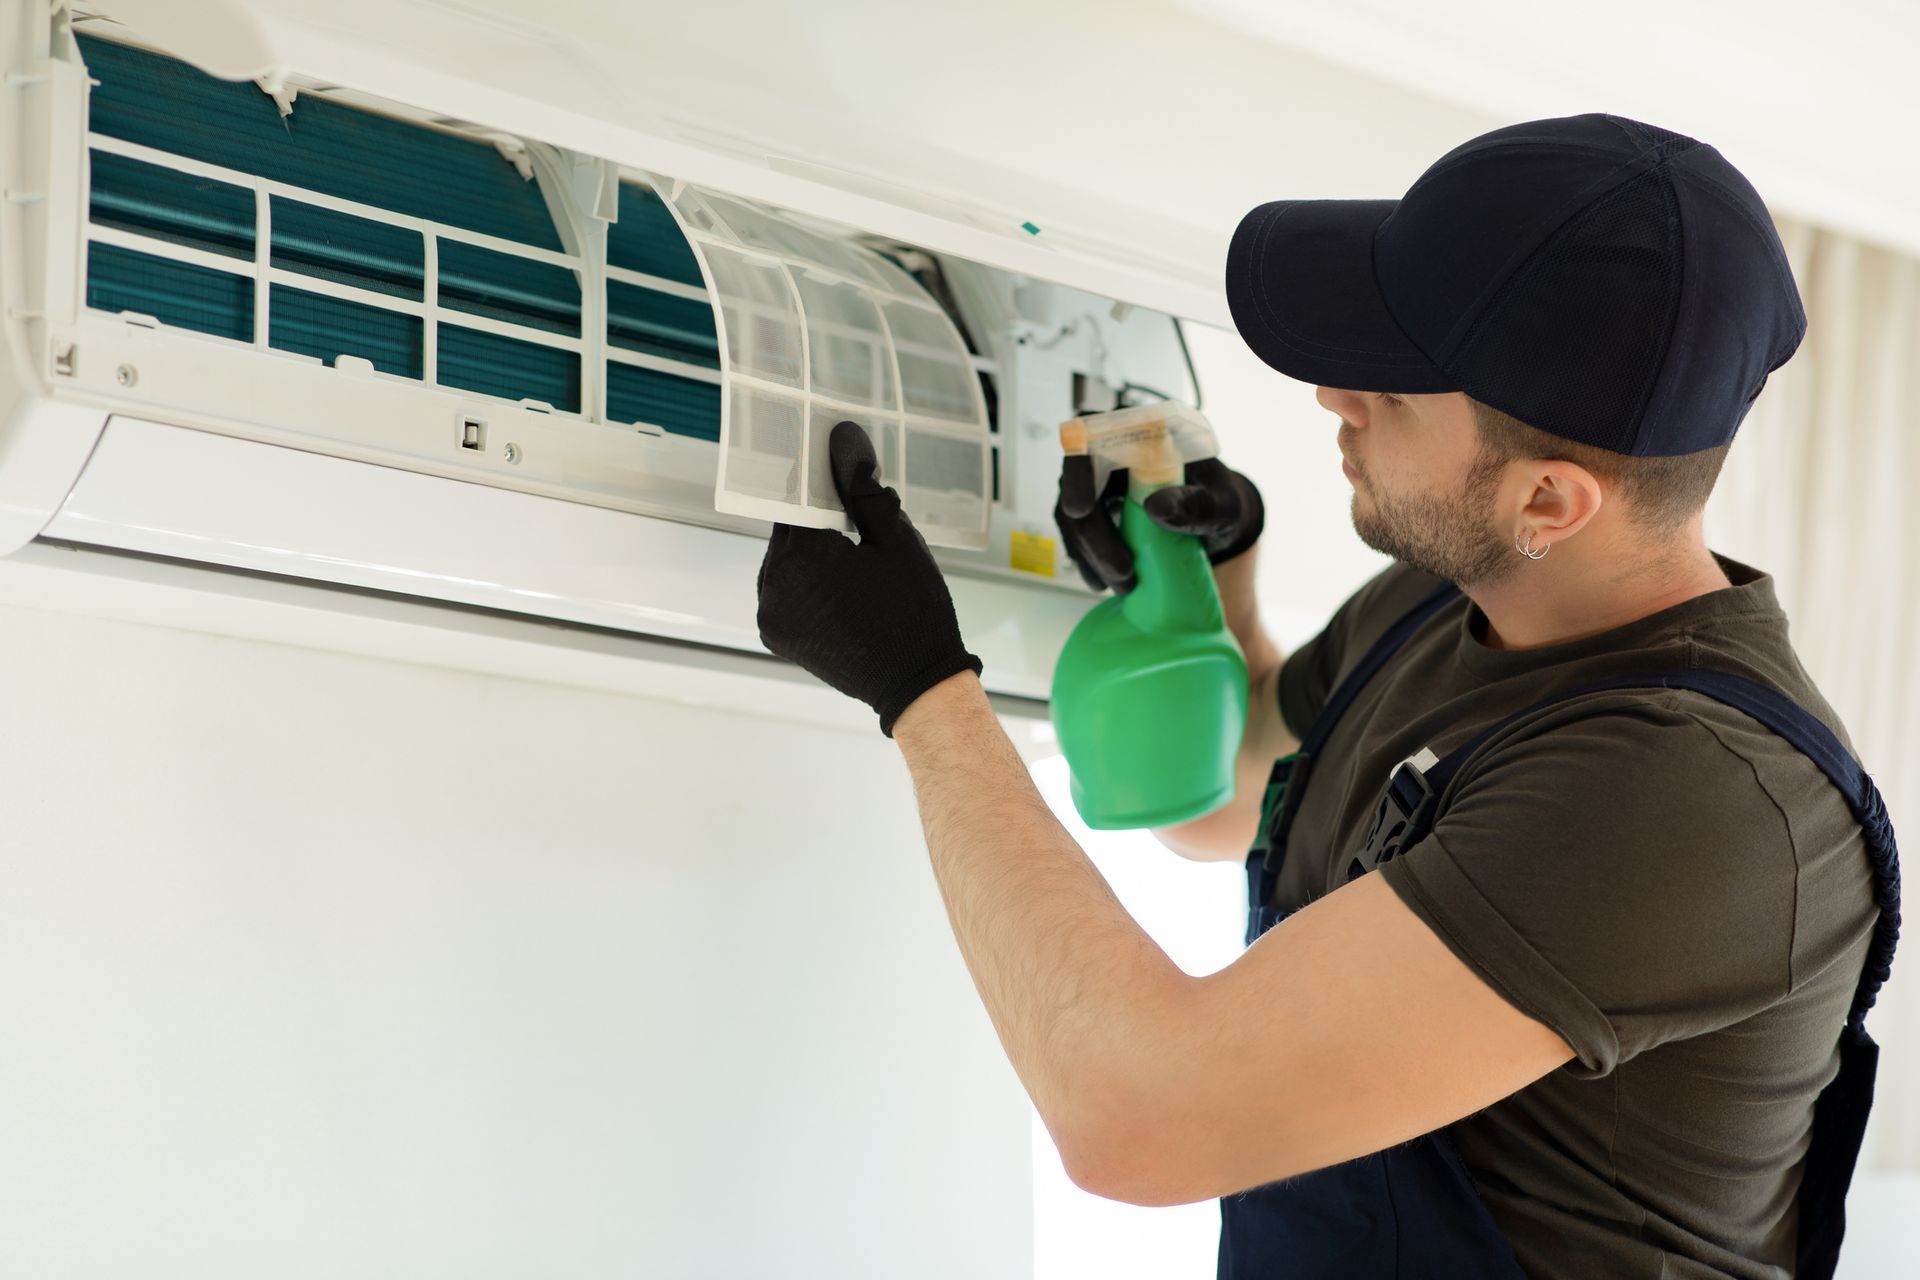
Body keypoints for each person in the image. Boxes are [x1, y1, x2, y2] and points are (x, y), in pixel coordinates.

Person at [753, 114, 1896, 1279]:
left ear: (1548, 502)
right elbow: (1224, 804)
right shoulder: (1443, 598)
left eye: (1393, 393)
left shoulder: (1687, 797)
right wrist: (1214, 576)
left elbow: (1138, 1114)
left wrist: (924, 692)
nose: (1332, 394)